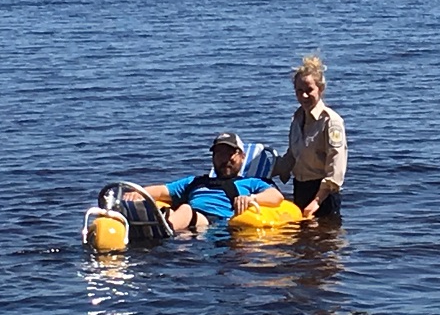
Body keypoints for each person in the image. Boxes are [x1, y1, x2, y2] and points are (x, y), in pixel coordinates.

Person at [131, 132, 285, 231]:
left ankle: (164, 231)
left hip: (213, 223)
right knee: (156, 209)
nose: (225, 159)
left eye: (230, 154)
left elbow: (276, 196)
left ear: (242, 156)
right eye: (219, 154)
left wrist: (252, 198)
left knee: (185, 209)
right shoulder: (195, 182)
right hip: (190, 225)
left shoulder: (250, 182)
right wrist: (136, 194)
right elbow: (160, 191)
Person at [271, 54, 347, 218]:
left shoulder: (331, 122)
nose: (304, 96)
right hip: (300, 189)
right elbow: (292, 156)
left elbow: (335, 169)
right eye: (299, 91)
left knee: (326, 240)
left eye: (309, 90)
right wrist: (263, 169)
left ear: (320, 88)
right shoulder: (297, 118)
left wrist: (316, 202)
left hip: (323, 196)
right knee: (302, 242)